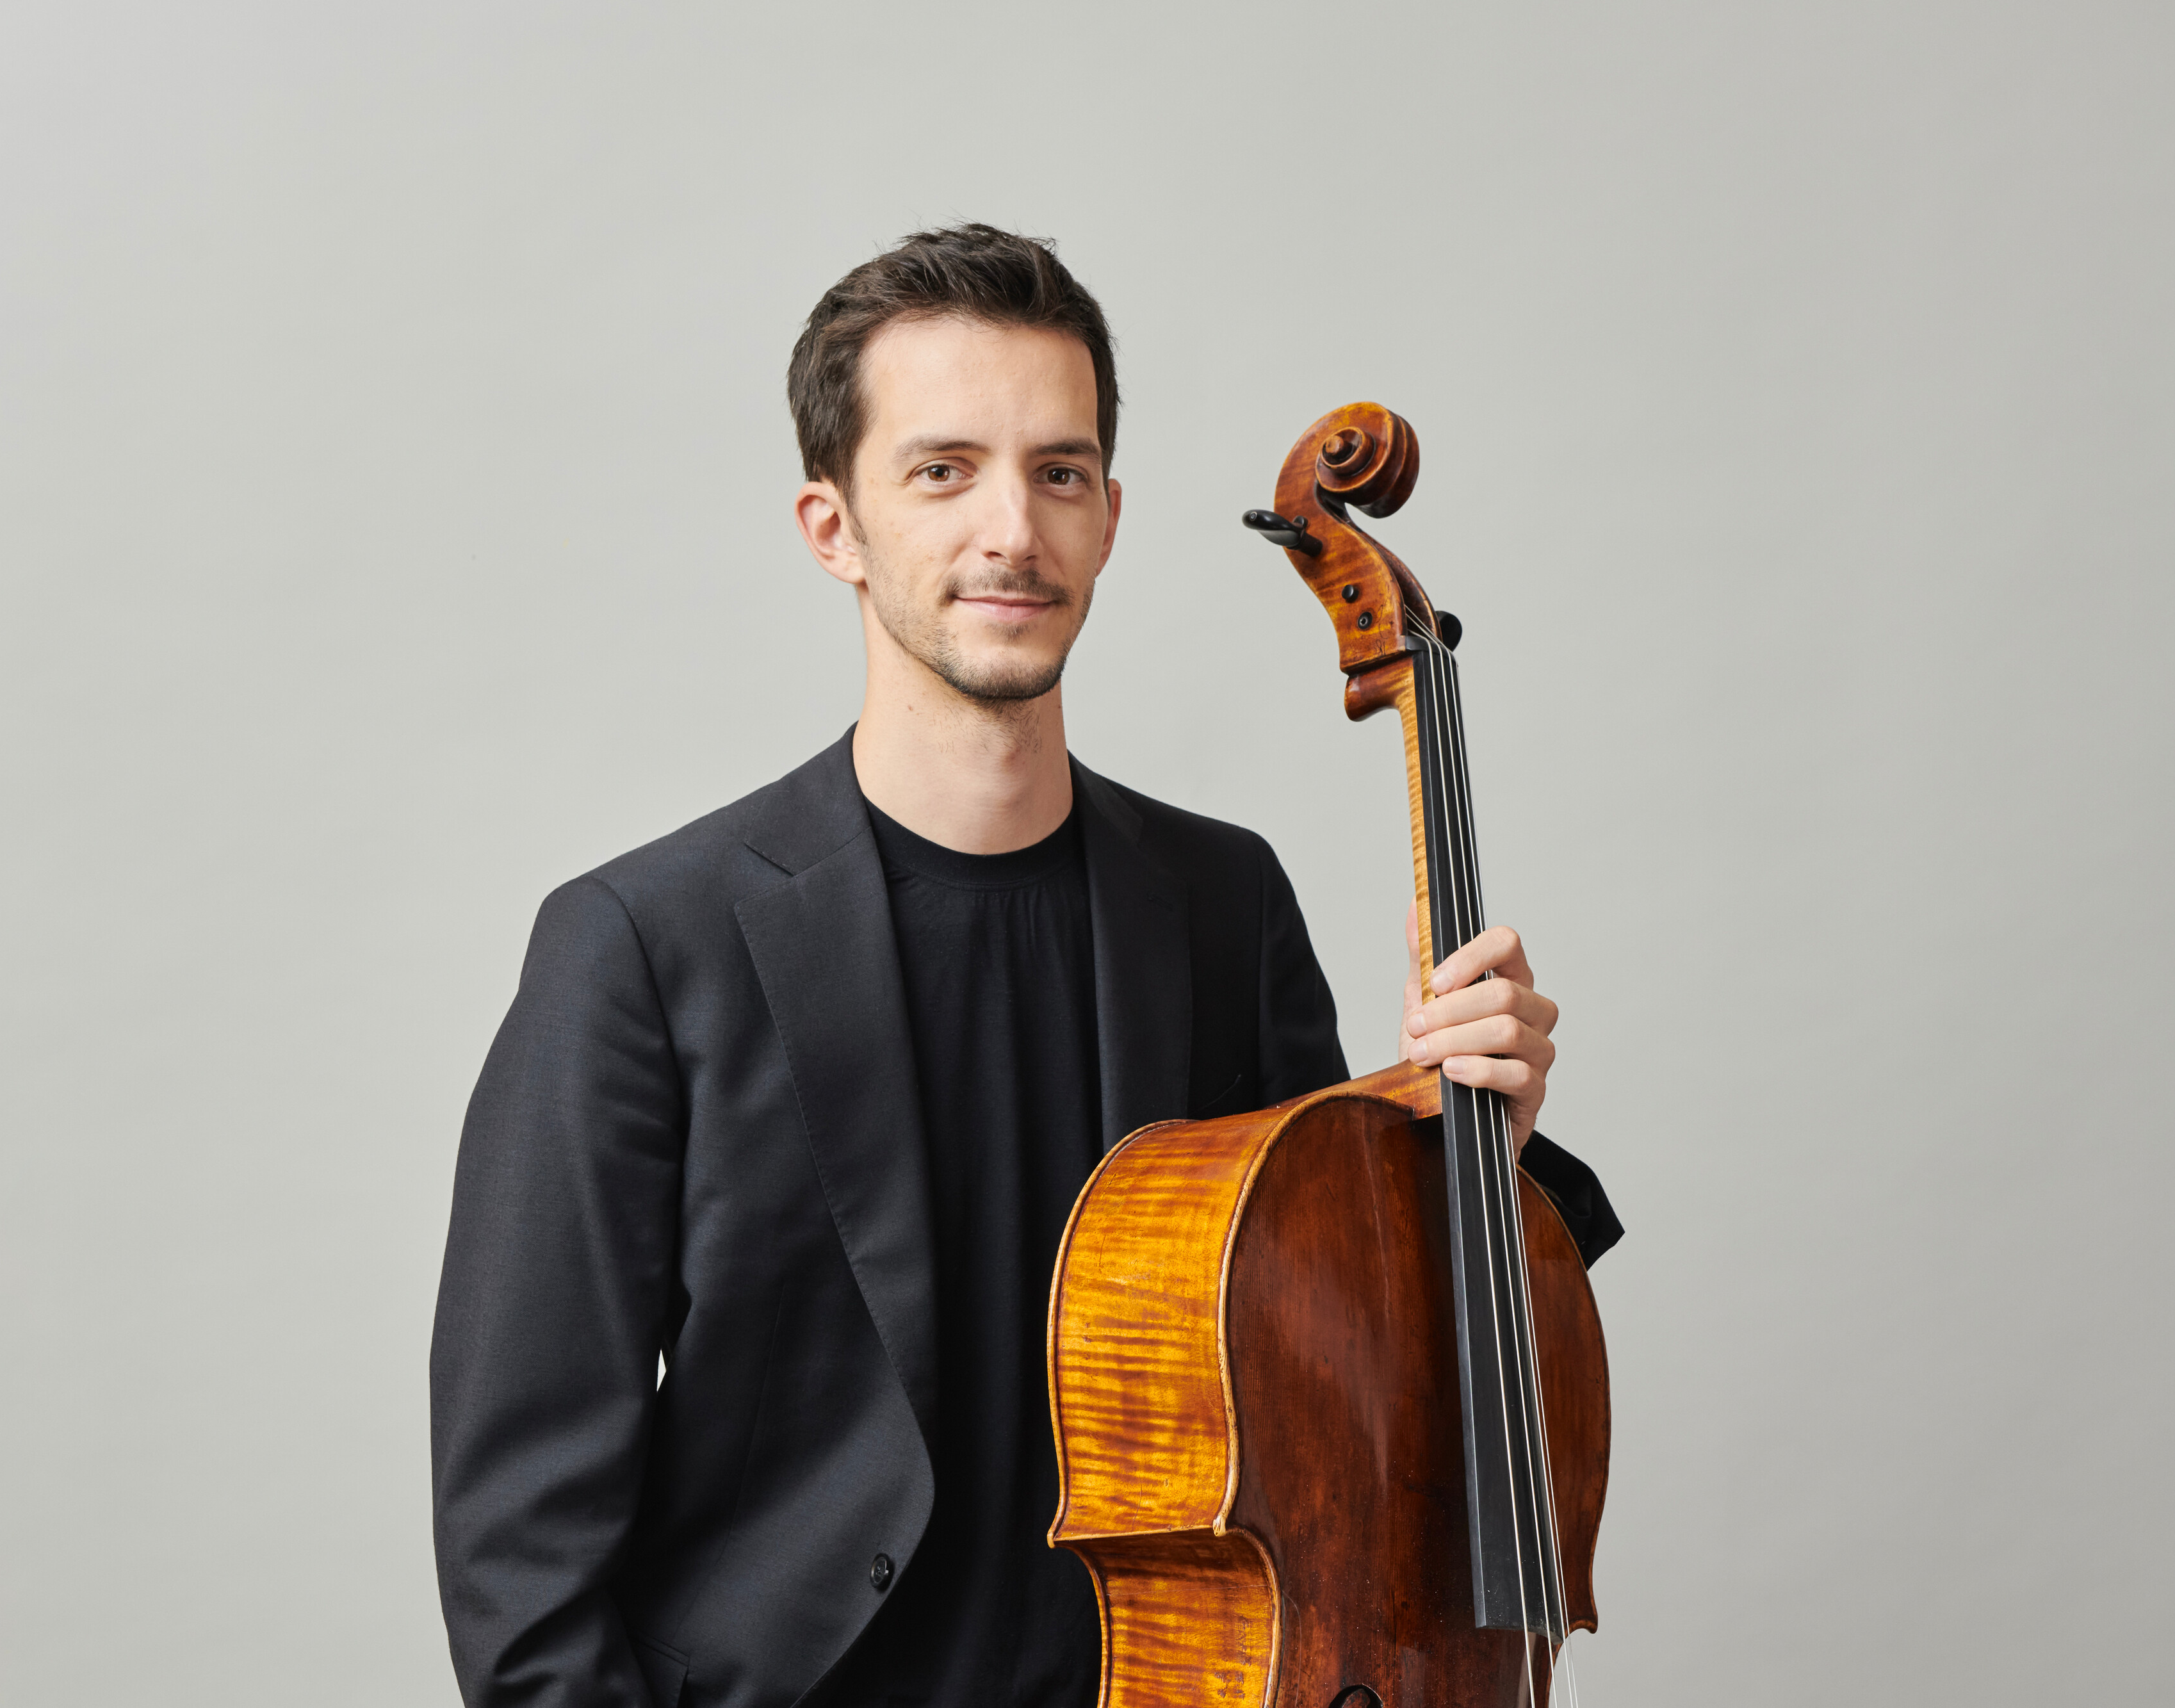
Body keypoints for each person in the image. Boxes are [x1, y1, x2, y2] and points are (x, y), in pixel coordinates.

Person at [430, 224, 1622, 1708]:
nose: (1012, 528)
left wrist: (1471, 1159)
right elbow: (521, 1546)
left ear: (1110, 516)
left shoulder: (1219, 900)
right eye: (943, 470)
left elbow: (1354, 1407)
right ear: (832, 525)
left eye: (1058, 472)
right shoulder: (642, 944)